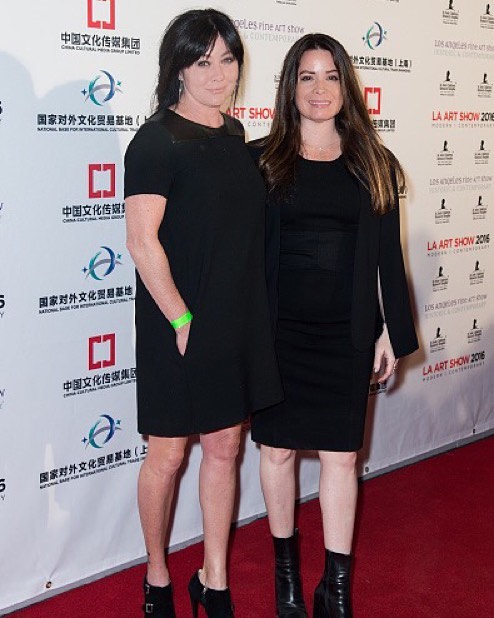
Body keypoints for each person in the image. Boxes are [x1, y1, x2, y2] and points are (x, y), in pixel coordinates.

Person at [249, 33, 418, 617]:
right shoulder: (261, 161)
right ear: (290, 88)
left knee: (343, 458)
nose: (319, 89)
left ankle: (336, 589)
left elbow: (388, 256)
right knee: (277, 454)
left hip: (346, 335)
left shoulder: (373, 163)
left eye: (330, 76)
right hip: (278, 336)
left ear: (347, 86)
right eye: (306, 77)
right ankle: (288, 582)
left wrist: (391, 331)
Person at [124, 9, 283, 617]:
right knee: (167, 454)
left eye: (228, 59)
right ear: (178, 69)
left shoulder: (235, 135)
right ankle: (157, 576)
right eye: (202, 61)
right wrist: (181, 319)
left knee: (223, 448)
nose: (218, 74)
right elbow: (143, 242)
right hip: (177, 323)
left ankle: (214, 579)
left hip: (232, 318)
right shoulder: (155, 140)